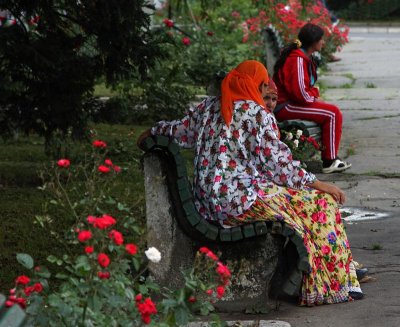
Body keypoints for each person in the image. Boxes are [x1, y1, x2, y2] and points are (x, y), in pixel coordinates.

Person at [137, 60, 363, 306]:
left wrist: (152, 131)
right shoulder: (256, 114)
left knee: (305, 205)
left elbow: (178, 131)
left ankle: (341, 270)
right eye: (264, 84)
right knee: (321, 205)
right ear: (257, 84)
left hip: (207, 203)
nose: (266, 88)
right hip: (240, 201)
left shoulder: (208, 107)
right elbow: (279, 164)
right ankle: (335, 283)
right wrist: (319, 184)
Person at [273, 23, 350, 174]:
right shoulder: (298, 60)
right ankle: (329, 161)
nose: (323, 42)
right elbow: (300, 94)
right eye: (321, 39)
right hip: (284, 105)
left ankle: (331, 158)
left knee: (331, 111)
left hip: (290, 103)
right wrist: (314, 96)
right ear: (313, 42)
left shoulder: (301, 56)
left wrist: (313, 98)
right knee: (332, 113)